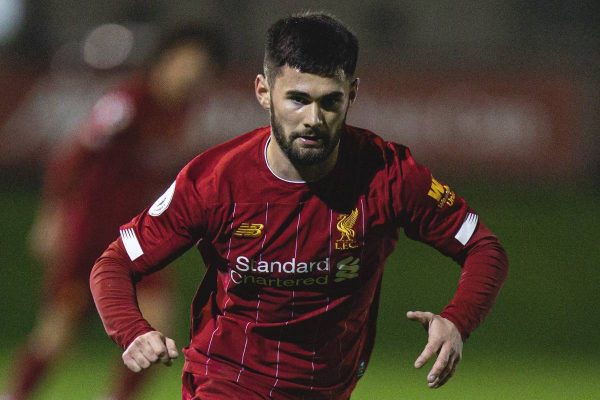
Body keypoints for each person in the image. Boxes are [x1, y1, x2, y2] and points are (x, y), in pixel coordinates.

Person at [90, 12, 508, 400]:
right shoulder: (215, 180)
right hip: (226, 381)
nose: (313, 118)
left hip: (327, 387)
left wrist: (457, 321)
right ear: (263, 92)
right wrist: (132, 331)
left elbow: (483, 247)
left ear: (353, 94)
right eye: (297, 99)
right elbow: (114, 263)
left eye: (330, 102)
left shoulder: (389, 174)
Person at [4, 26, 224, 400]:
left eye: (200, 69)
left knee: (155, 327)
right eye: (185, 64)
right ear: (164, 62)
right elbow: (73, 157)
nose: (190, 75)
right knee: (57, 333)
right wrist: (53, 215)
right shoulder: (127, 101)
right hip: (91, 233)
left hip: (139, 237)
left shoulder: (182, 111)